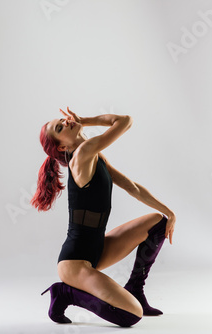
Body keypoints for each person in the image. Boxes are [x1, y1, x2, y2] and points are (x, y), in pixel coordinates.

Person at [32, 107, 176, 327]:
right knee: (131, 315)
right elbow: (125, 121)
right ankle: (65, 293)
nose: (66, 122)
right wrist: (85, 121)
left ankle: (135, 289)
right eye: (60, 127)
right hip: (75, 262)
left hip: (98, 250)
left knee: (158, 223)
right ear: (62, 146)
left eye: (63, 120)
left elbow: (133, 187)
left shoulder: (93, 155)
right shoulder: (83, 153)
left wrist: (169, 211)